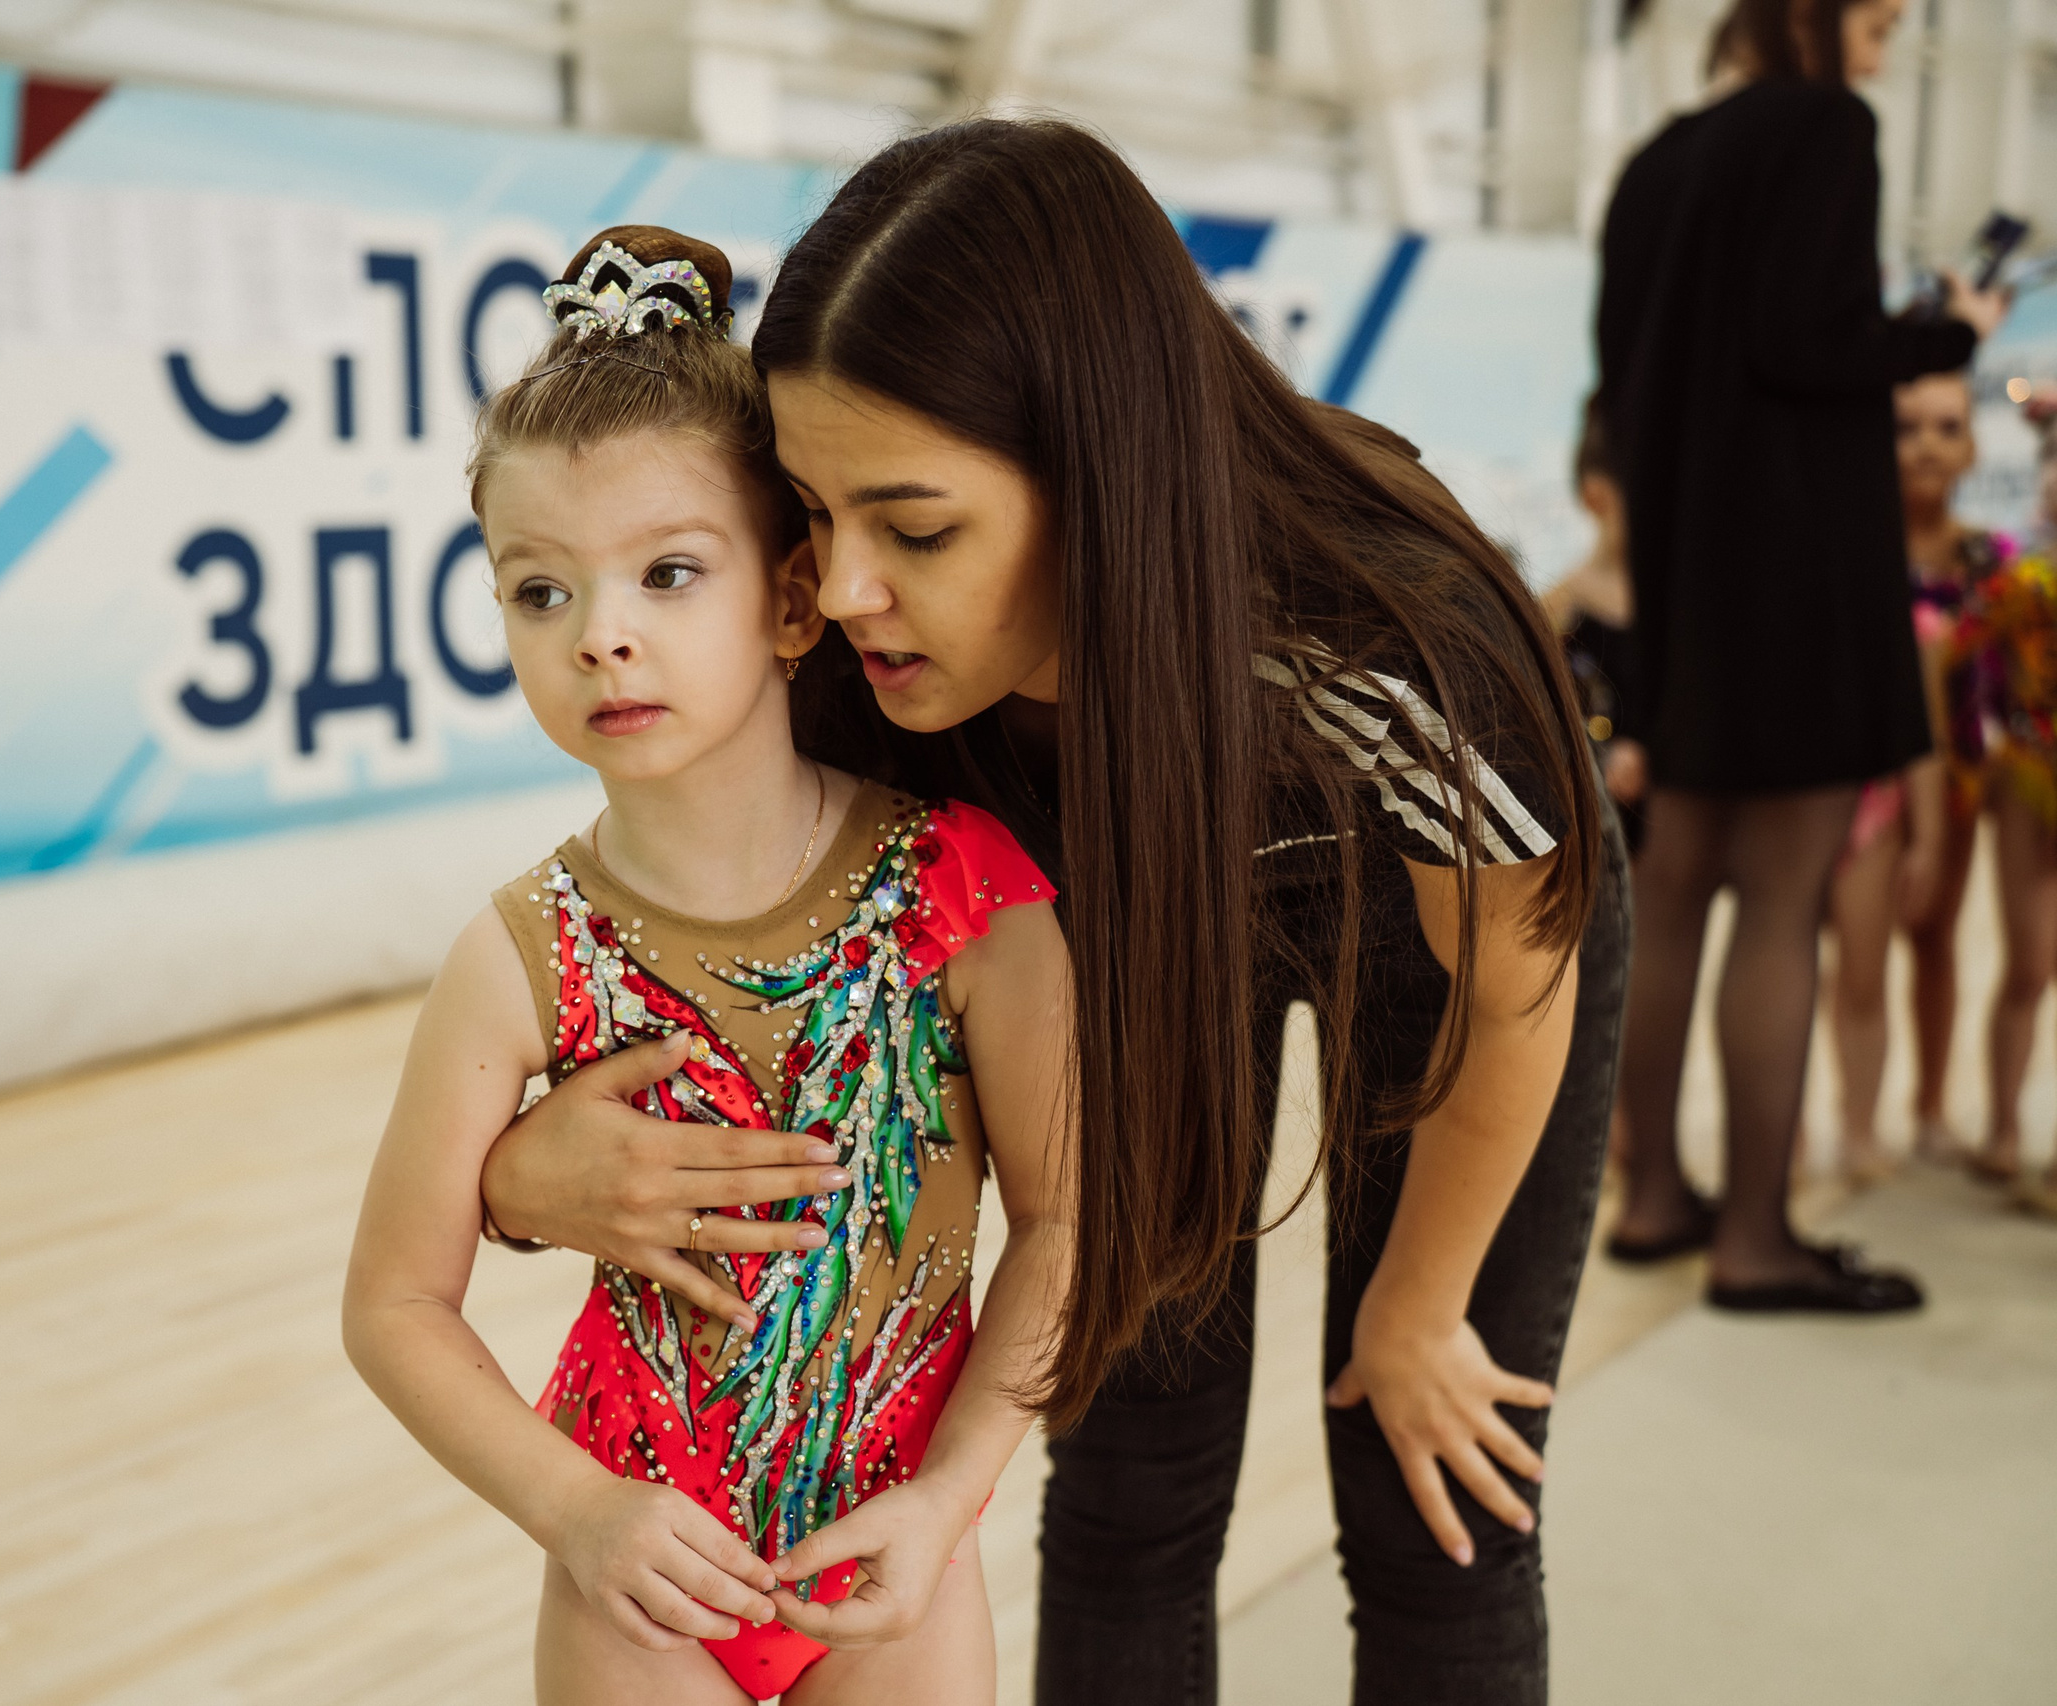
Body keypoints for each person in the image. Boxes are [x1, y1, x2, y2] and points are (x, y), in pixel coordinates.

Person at [479, 122, 1627, 1705]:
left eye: (918, 527)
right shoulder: (862, 661)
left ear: (1099, 474)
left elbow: (1514, 982)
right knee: (1131, 1492)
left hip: (1458, 958)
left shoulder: (1379, 628)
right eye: (812, 514)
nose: (849, 588)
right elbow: (722, 993)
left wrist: (1422, 1302)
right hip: (1140, 942)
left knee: (1433, 1488)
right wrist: (521, 1177)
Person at [341, 227, 1076, 1705]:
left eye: (668, 573)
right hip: (640, 1581)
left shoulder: (964, 892)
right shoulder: (518, 951)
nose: (601, 635)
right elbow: (392, 1304)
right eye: (539, 590)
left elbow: (1074, 1225)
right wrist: (575, 1509)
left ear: (795, 599)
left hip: (891, 1565)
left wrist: (951, 1499)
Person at [1596, 0, 2003, 1308]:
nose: (1886, 41)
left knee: (1676, 890)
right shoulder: (1827, 128)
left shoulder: (1660, 161)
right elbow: (1808, 340)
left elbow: (1628, 371)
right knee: (1781, 901)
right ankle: (1757, 1240)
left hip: (1689, 581)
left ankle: (1653, 1193)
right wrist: (1946, 334)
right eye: (1877, 15)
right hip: (1799, 582)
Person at [1825, 373, 1998, 1183]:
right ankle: (1851, 1114)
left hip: (1956, 773)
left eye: (1945, 426)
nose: (1928, 443)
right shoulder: (1854, 551)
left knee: (1935, 940)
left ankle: (1929, 1109)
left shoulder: (1984, 559)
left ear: (1970, 445)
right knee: (1854, 951)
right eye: (1907, 427)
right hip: (1867, 775)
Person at [1950, 423, 2057, 1208]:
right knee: (2027, 965)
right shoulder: (2016, 572)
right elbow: (1959, 658)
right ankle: (2004, 1129)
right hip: (2026, 778)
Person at [1541, 399, 1648, 855]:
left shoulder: (1674, 619)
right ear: (1595, 495)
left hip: (1665, 827)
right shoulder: (1557, 611)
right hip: (1584, 828)